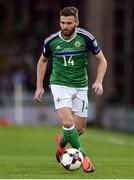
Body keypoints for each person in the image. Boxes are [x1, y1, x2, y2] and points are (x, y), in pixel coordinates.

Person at [34, 6, 107, 173]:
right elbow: (42, 61)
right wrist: (39, 86)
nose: (65, 26)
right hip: (59, 85)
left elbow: (102, 61)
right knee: (67, 123)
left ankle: (62, 143)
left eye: (69, 23)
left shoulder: (86, 38)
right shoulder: (51, 41)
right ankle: (84, 156)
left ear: (77, 22)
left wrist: (99, 81)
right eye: (62, 23)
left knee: (79, 129)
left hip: (81, 86)